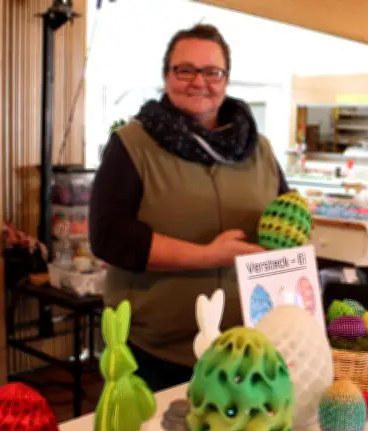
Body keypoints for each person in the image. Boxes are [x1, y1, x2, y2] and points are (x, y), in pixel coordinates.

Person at [89, 24, 290, 392]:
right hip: (156, 350)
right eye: (185, 70)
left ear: (226, 79)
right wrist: (207, 256)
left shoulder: (259, 149)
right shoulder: (133, 145)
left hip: (244, 347)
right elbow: (109, 237)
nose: (199, 81)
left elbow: (285, 221)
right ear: (167, 76)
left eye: (212, 71)